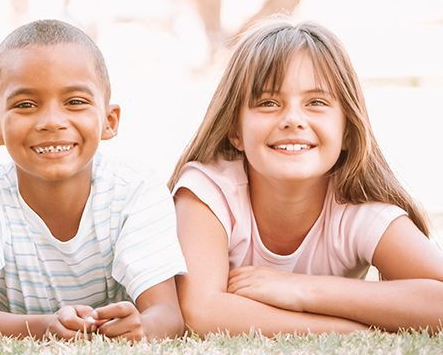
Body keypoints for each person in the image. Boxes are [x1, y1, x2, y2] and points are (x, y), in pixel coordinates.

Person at [0, 19, 185, 341]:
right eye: (26, 105)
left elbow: (167, 314)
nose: (52, 121)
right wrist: (44, 327)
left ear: (110, 121)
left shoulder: (136, 191)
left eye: (75, 102)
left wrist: (142, 327)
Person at [170, 19, 443, 335]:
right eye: (268, 103)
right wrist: (346, 331)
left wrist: (302, 290)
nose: (293, 120)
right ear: (235, 130)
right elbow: (201, 311)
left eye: (316, 102)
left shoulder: (358, 209)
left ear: (347, 130)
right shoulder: (208, 191)